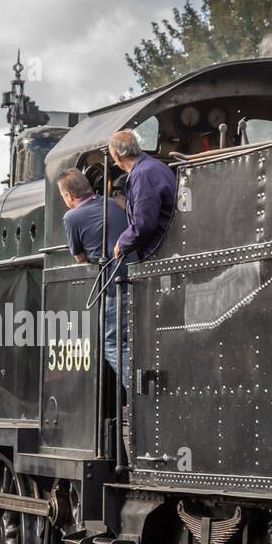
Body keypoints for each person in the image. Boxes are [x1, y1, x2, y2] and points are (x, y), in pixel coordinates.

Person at [58, 167, 131, 387]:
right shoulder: (115, 204)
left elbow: (79, 257)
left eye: (63, 197)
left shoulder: (71, 217)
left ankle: (138, 395)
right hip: (136, 276)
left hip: (112, 285)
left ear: (69, 196)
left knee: (111, 342)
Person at [109, 129, 177, 263]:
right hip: (171, 244)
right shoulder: (157, 166)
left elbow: (144, 222)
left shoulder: (142, 174)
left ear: (116, 156)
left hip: (160, 251)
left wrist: (123, 243)